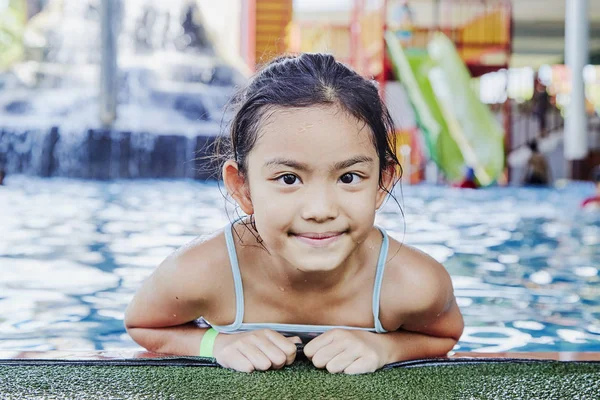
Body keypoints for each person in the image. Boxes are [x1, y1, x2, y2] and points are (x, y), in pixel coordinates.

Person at [124, 54, 464, 374]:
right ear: (242, 186)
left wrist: (385, 348)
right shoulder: (205, 271)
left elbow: (444, 336)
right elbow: (143, 324)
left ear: (382, 183)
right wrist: (218, 343)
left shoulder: (411, 283)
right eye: (289, 179)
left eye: (348, 178)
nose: (320, 210)